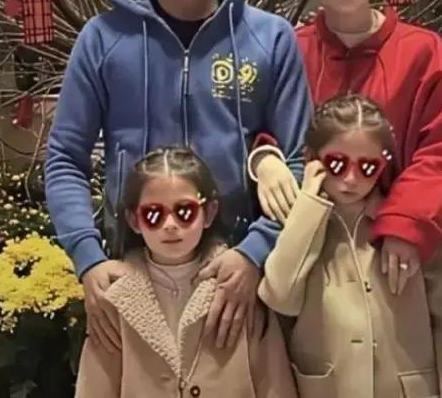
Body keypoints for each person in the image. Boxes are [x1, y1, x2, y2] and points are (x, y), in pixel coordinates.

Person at [45, 0, 312, 357]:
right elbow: (65, 158)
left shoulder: (270, 38)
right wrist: (88, 257)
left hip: (239, 275)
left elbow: (299, 158)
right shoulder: (103, 40)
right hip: (133, 272)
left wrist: (256, 252)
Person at [251, 0, 442, 296]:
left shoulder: (424, 53)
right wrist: (264, 158)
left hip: (397, 254)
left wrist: (406, 224)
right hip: (305, 253)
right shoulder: (288, 50)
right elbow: (257, 124)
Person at [259, 95, 442, 398]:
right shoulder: (300, 222)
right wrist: (308, 205)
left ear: (383, 165)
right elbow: (280, 297)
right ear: (312, 159)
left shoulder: (410, 226)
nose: (351, 179)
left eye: (367, 167)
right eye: (336, 164)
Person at [76, 147, 297, 397]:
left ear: (209, 213)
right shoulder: (116, 296)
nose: (170, 225)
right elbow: (95, 386)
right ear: (134, 220)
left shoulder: (238, 285)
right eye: (153, 215)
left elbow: (273, 381)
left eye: (184, 212)